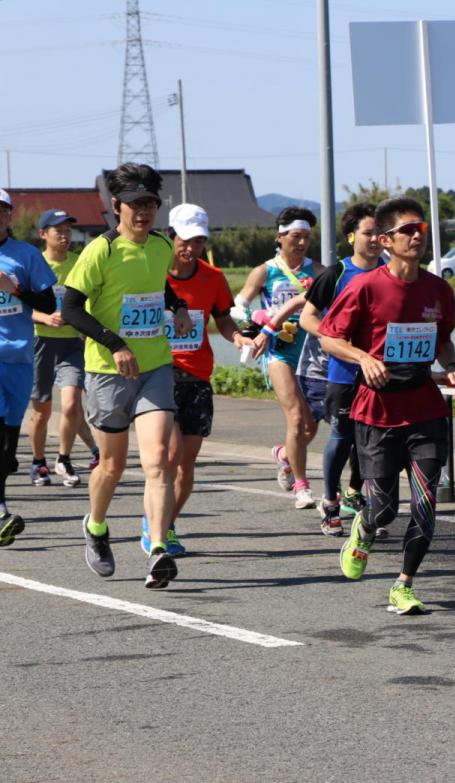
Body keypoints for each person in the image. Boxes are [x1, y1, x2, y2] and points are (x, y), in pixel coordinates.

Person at [321, 197, 455, 614]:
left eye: (421, 228)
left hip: (425, 409)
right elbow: (330, 337)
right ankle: (363, 528)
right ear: (385, 240)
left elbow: (441, 339)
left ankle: (404, 584)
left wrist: (451, 364)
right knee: (383, 511)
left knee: (424, 504)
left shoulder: (438, 288)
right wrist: (364, 358)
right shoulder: (365, 287)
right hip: (376, 413)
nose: (418, 235)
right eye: (408, 230)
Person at [60, 163, 196, 587]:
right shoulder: (100, 250)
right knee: (112, 466)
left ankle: (157, 548)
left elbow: (160, 285)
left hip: (155, 364)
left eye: (150, 204)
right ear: (117, 206)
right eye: (135, 204)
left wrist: (177, 308)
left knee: (158, 459)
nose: (144, 211)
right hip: (107, 372)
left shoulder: (159, 245)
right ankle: (96, 525)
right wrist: (115, 344)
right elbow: (70, 309)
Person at [148, 203, 253, 557]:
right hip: (159, 372)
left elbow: (222, 318)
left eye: (198, 241)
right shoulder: (152, 273)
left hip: (197, 376)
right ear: (171, 236)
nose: (191, 248)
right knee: (171, 452)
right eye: (185, 240)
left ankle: (164, 523)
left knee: (186, 463)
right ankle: (159, 528)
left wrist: (237, 337)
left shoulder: (212, 277)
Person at [298, 202, 382, 537]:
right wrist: (334, 339)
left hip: (381, 373)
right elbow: (307, 317)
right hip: (344, 374)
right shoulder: (335, 274)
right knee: (343, 437)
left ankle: (359, 498)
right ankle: (330, 504)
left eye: (380, 232)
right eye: (368, 232)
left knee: (375, 441)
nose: (376, 238)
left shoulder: (389, 273)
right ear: (351, 237)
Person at [237, 207, 321, 509]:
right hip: (277, 350)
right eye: (296, 237)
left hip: (310, 351)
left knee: (310, 427)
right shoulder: (265, 270)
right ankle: (302, 487)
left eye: (306, 238)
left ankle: (284, 456)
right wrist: (256, 319)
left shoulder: (319, 270)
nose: (301, 243)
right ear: (280, 237)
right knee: (296, 418)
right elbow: (239, 305)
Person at [0, 189, 58, 546]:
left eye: (1, 211)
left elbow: (48, 301)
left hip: (19, 357)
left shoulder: (25, 255)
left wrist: (15, 289)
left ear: (9, 216)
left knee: (8, 445)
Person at [28, 208, 98, 488]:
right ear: (44, 234)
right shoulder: (34, 263)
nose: (66, 236)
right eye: (60, 231)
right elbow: (20, 304)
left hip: (72, 342)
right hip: (41, 340)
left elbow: (91, 300)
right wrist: (45, 317)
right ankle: (38, 462)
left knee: (71, 403)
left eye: (69, 231)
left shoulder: (80, 263)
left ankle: (64, 458)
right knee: (42, 411)